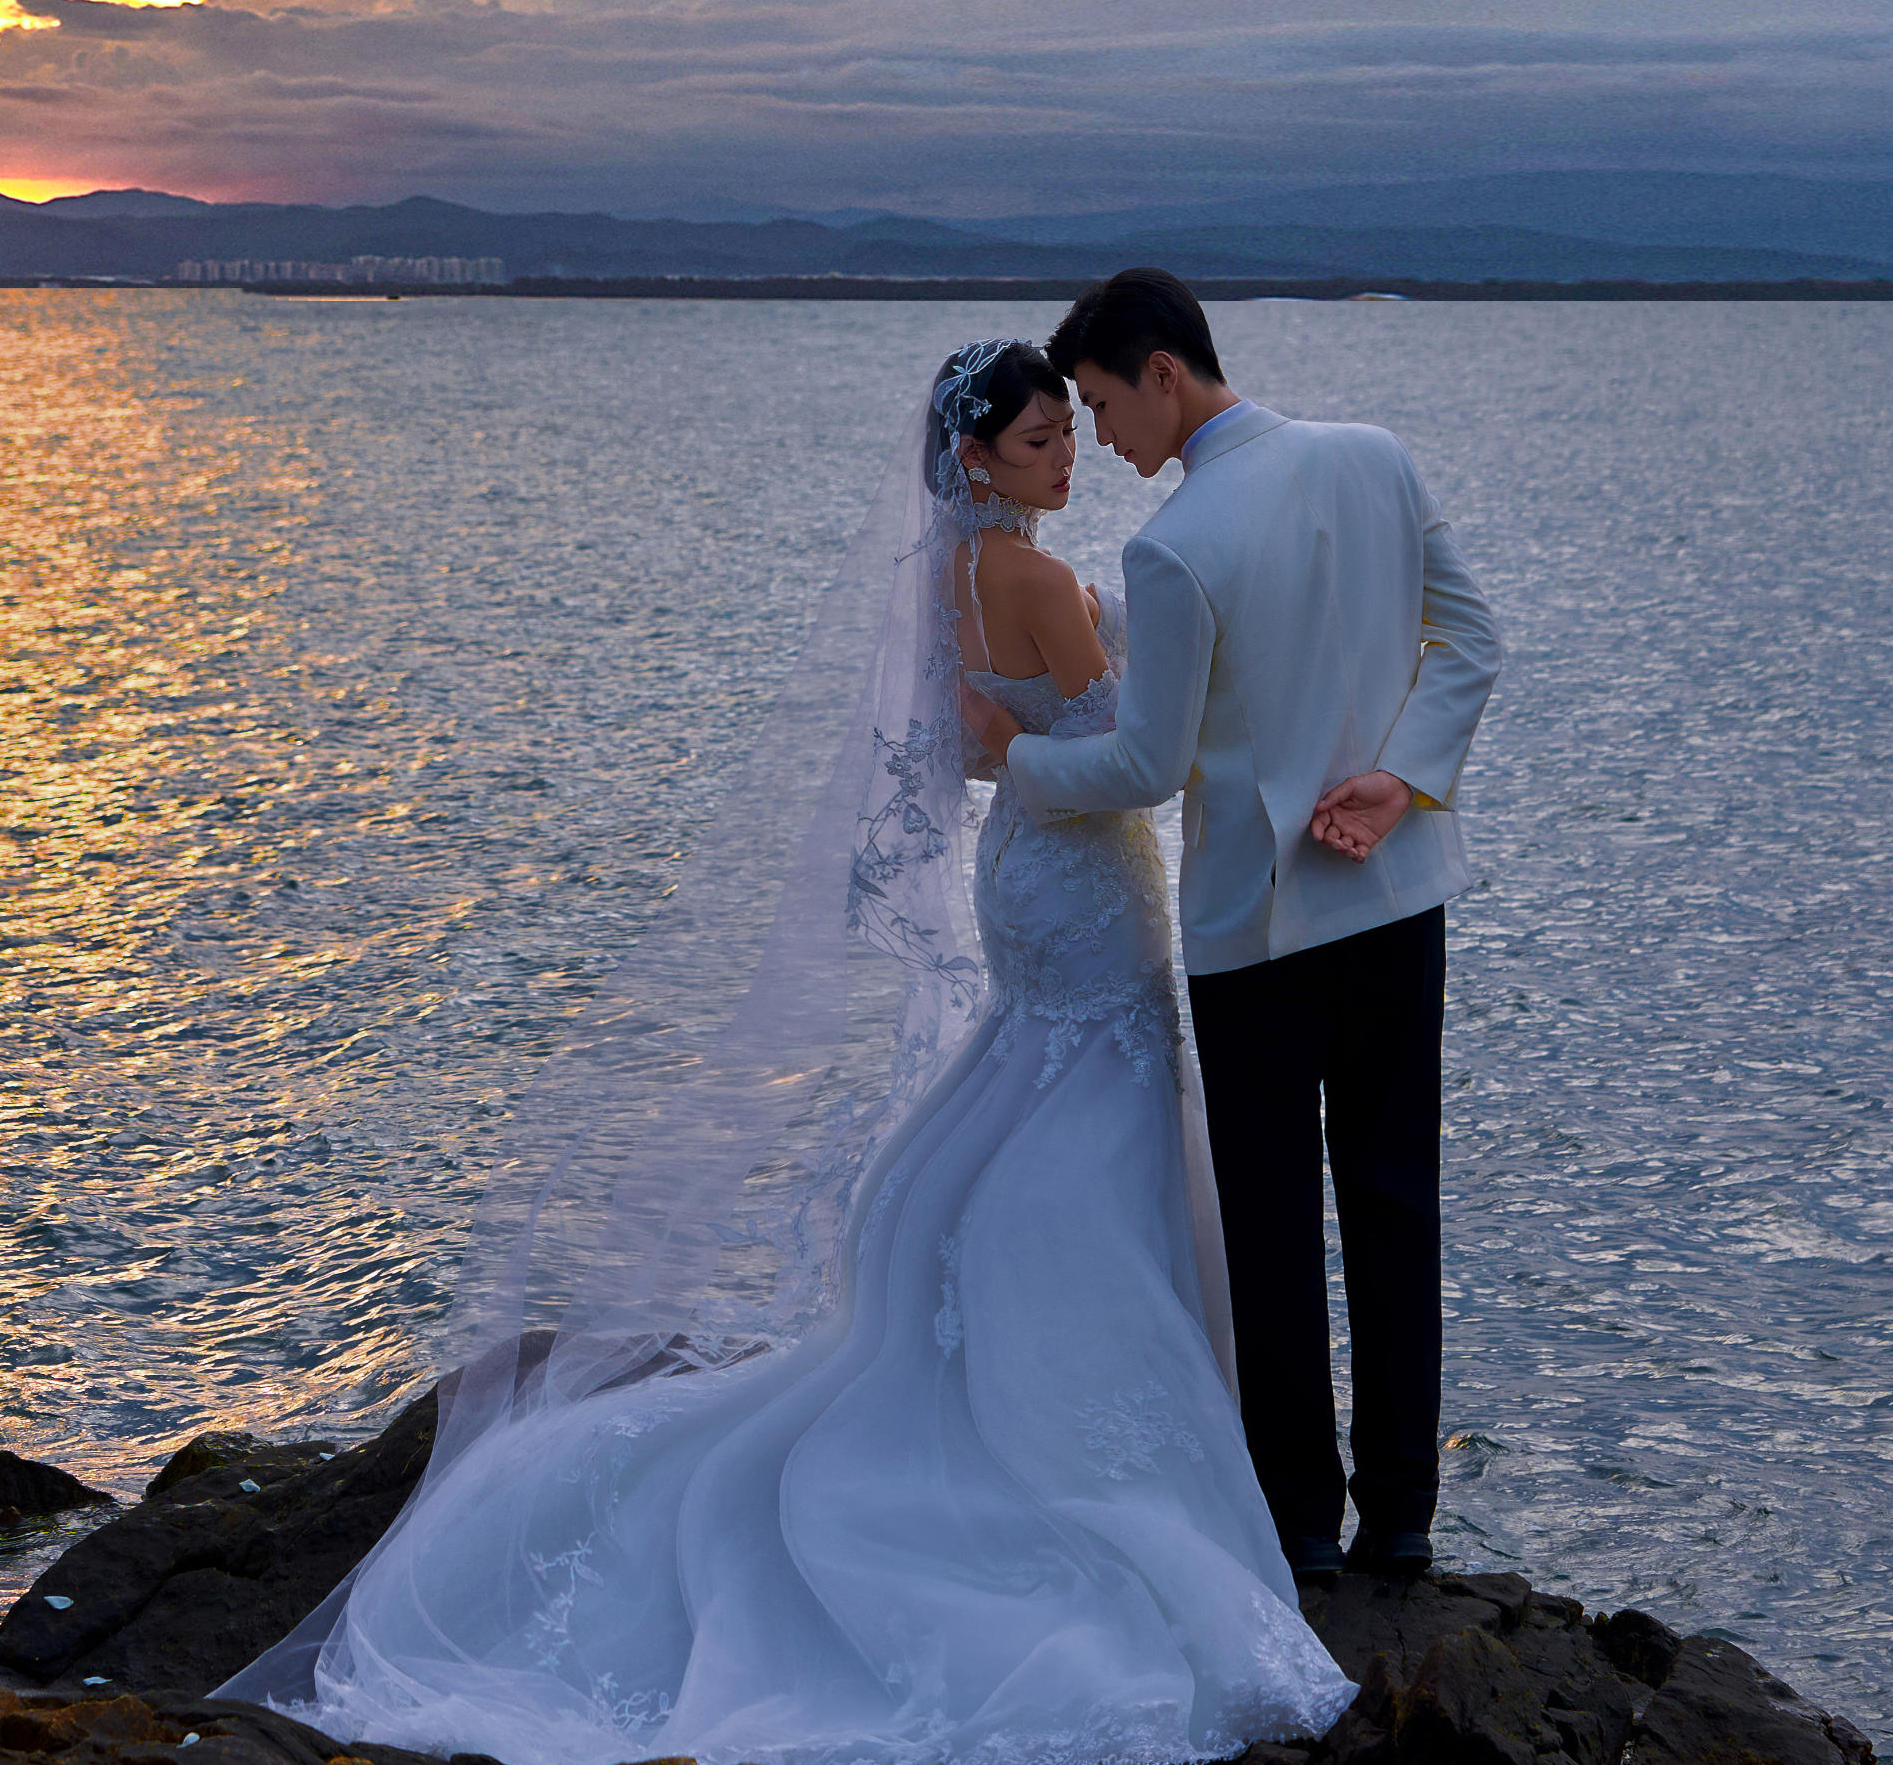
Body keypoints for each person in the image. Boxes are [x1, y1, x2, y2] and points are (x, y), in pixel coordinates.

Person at [216, 336, 1353, 1765]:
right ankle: (1076, 1408)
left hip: (1028, 873)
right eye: (1042, 441)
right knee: (1099, 1101)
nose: (1068, 458)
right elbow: (1133, 749)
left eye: (1074, 432)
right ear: (979, 457)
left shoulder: (951, 576)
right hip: (1085, 880)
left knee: (1033, 1084)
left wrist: (1085, 668)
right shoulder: (1041, 582)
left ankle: (995, 1338)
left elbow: (981, 742)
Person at [961, 269, 1501, 1585]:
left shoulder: (1178, 540)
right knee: (1393, 1204)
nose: (1102, 439)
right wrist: (1405, 776)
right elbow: (1470, 641)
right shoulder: (1372, 460)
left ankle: (1303, 1531)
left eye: (1100, 404)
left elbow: (1145, 765)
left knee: (1270, 1232)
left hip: (1256, 934)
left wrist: (1016, 765)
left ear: (1162, 370)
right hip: (1396, 897)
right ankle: (1406, 1521)